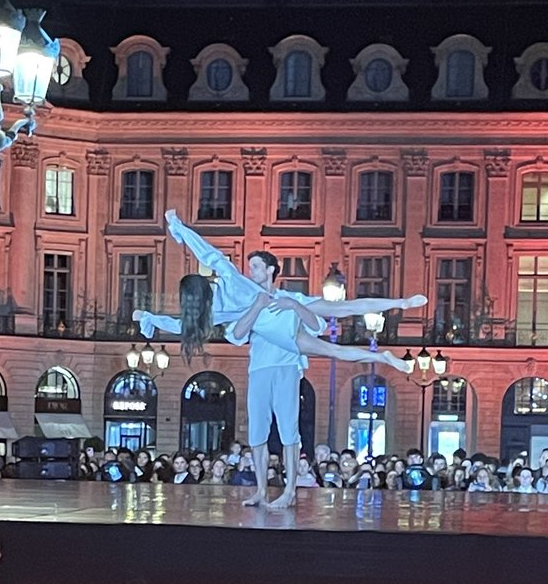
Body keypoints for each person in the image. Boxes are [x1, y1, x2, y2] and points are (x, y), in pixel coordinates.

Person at [136, 210, 426, 508]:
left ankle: (398, 310)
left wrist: (181, 229)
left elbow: (208, 253)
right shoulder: (220, 308)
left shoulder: (239, 284)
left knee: (333, 336)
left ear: (271, 270)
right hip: (269, 354)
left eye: (256, 267)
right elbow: (188, 323)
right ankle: (263, 491)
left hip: (287, 333)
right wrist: (152, 318)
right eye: (249, 267)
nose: (250, 271)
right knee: (262, 429)